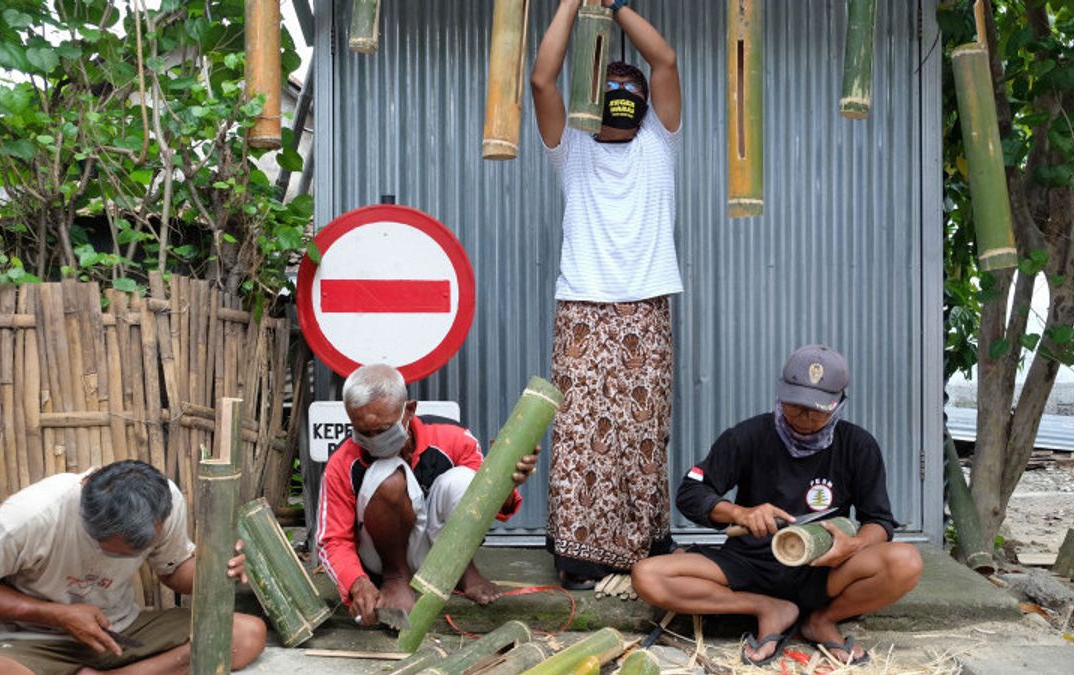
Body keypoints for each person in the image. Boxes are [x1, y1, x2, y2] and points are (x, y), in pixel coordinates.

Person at [631, 345, 924, 667]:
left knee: (906, 562)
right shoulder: (748, 436)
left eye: (818, 410)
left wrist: (853, 546)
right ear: (781, 394)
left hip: (821, 568)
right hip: (750, 562)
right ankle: (765, 608)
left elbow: (879, 520)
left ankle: (822, 620)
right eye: (795, 406)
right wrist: (739, 513)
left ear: (839, 404)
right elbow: (691, 492)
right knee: (648, 576)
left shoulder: (858, 445)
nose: (805, 418)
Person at [530, 0, 683, 590]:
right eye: (607, 84)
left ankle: (642, 550)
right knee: (579, 433)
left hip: (647, 306)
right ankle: (581, 559)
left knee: (643, 436)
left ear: (643, 101)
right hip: (583, 310)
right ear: (591, 95)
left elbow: (664, 59)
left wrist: (615, 10)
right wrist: (573, 4)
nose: (620, 91)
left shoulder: (659, 144)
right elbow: (543, 78)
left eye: (629, 85)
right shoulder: (571, 151)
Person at [0, 460, 266, 675]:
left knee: (246, 634)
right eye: (111, 550)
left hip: (118, 631)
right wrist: (56, 615)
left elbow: (173, 571)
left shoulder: (164, 501)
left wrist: (214, 568)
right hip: (29, 639)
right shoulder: (31, 516)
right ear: (88, 517)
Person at [316, 364, 539, 626]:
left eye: (384, 429)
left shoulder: (452, 438)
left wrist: (505, 477)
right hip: (379, 557)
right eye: (363, 432)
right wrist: (357, 582)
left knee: (466, 481)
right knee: (387, 478)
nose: (374, 439)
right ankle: (396, 579)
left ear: (409, 410)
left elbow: (491, 504)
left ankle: (461, 568)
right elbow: (332, 540)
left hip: (439, 546)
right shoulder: (343, 462)